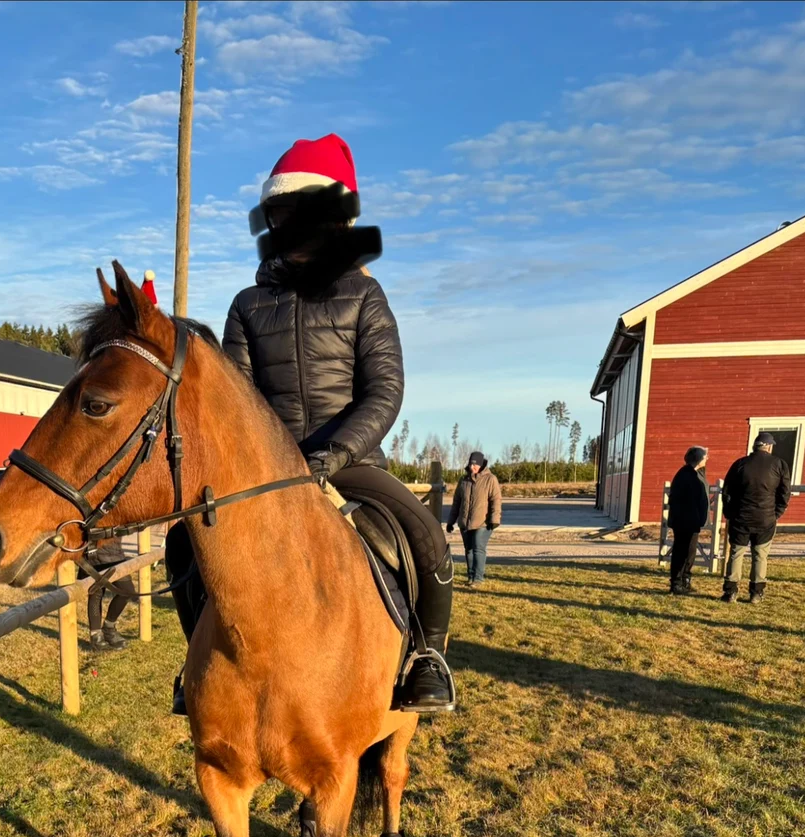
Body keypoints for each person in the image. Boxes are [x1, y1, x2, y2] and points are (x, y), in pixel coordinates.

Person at [165, 133, 454, 714]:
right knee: (181, 542)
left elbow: (384, 391)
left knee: (426, 535)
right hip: (269, 471)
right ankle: (198, 657)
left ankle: (427, 656)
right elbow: (237, 400)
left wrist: (335, 454)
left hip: (350, 463)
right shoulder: (246, 305)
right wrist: (269, 460)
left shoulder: (365, 297)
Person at [720, 431, 791, 603]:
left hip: (741, 517)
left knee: (736, 553)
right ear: (769, 446)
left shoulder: (740, 464)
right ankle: (756, 593)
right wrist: (776, 513)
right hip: (765, 518)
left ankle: (731, 592)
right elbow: (784, 493)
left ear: (755, 446)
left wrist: (729, 513)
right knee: (760, 555)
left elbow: (727, 491)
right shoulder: (779, 464)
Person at [447, 451, 501, 585]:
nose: (472, 467)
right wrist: (451, 521)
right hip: (465, 522)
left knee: (478, 548)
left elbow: (496, 500)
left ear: (482, 464)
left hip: (483, 522)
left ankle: (478, 578)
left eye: (475, 465)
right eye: (471, 464)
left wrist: (494, 519)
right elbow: (457, 502)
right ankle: (470, 576)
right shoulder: (463, 480)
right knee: (469, 550)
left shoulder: (490, 479)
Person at [666, 446, 709, 595]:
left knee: (689, 551)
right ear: (699, 459)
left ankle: (685, 579)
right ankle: (676, 583)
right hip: (685, 521)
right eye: (705, 457)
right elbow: (685, 500)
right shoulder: (687, 475)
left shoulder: (693, 474)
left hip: (691, 521)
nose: (707, 459)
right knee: (681, 551)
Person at [86, 536, 137, 649]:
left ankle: (108, 628)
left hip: (114, 550)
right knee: (96, 593)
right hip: (93, 550)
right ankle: (96, 636)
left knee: (127, 591)